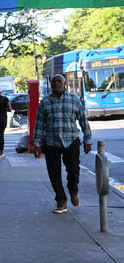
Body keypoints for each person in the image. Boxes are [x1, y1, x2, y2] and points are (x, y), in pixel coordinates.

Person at [32, 73, 92, 214]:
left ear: (65, 84)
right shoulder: (45, 102)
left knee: (73, 170)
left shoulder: (74, 100)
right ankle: (61, 200)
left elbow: (84, 121)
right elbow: (39, 124)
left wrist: (87, 141)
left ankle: (73, 190)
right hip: (51, 142)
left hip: (71, 140)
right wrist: (37, 144)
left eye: (59, 81)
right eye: (54, 82)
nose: (56, 83)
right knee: (54, 173)